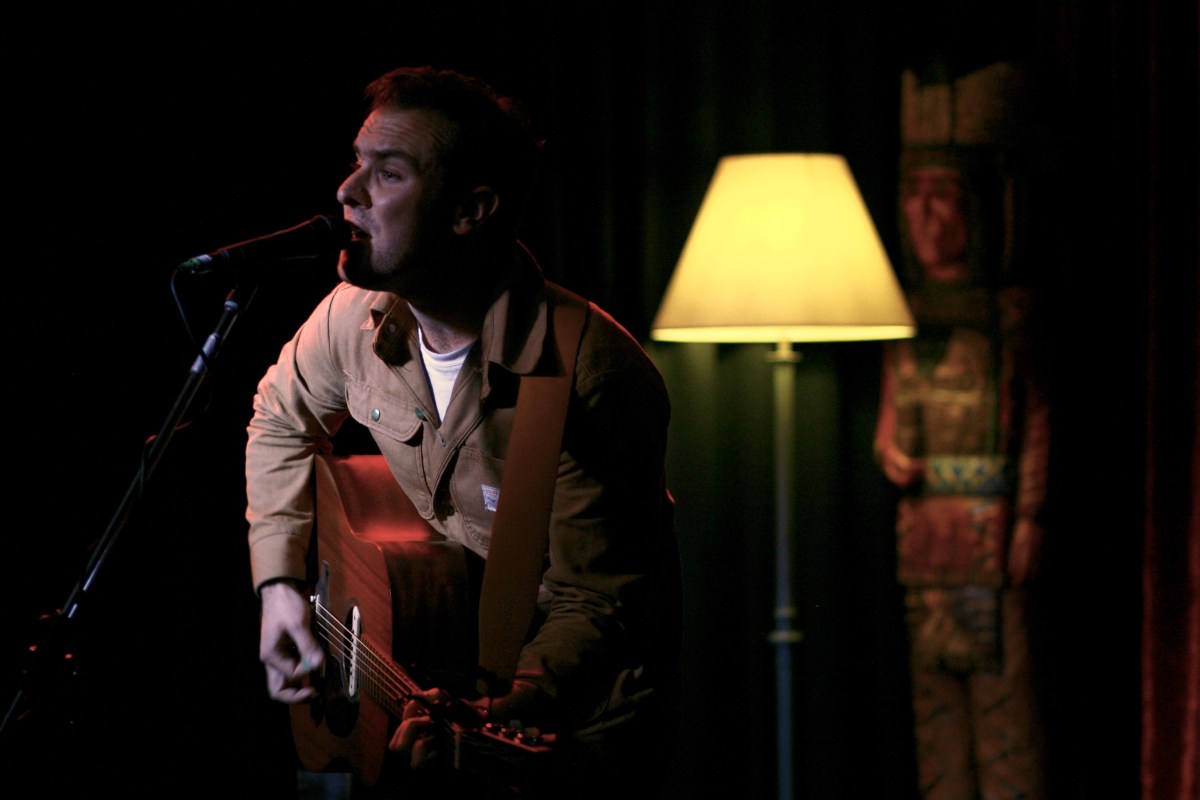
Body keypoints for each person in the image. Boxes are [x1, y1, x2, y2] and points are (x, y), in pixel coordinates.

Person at [246, 66, 682, 799]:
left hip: (568, 730)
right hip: (438, 656)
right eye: (357, 163)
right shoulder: (351, 316)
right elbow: (279, 420)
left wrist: (502, 710)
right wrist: (281, 588)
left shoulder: (590, 376)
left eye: (388, 174)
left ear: (469, 211)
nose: (348, 192)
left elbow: (596, 602)